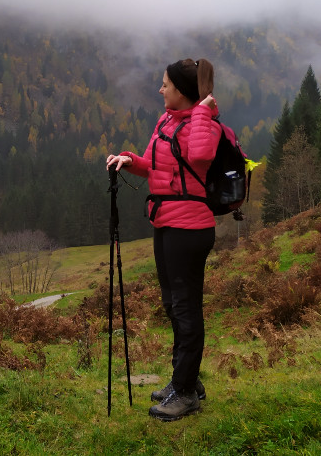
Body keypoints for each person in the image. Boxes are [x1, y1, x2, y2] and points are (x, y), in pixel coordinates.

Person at [106, 58, 220, 421]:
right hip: (166, 223)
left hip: (189, 230)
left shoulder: (205, 126)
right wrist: (129, 161)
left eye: (166, 84)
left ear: (183, 92)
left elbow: (200, 157)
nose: (160, 89)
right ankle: (183, 380)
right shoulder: (167, 121)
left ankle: (185, 392)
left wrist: (203, 111)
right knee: (173, 305)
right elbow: (160, 168)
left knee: (186, 310)